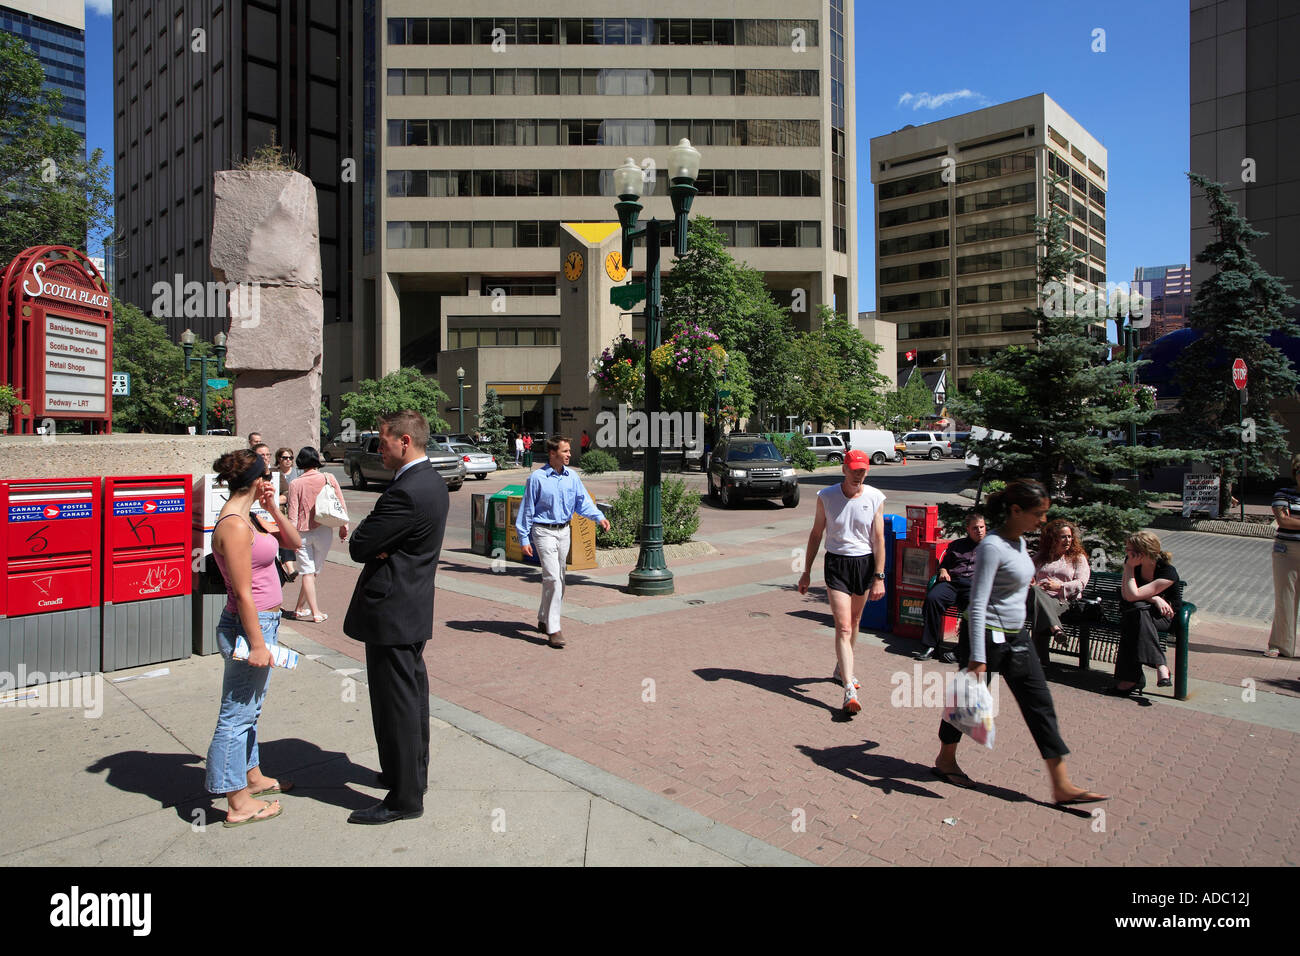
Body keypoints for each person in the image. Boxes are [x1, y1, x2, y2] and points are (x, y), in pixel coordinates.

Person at [932, 480, 1106, 805]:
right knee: (965, 705)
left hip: (1017, 637)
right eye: (1038, 514)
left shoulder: (1021, 543)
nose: (1043, 521)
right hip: (984, 637)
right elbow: (979, 602)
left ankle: (1061, 784)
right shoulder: (992, 546)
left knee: (1040, 705)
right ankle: (945, 760)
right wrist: (978, 657)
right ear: (1015, 511)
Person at [344, 410, 448, 824]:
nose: (378, 449)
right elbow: (374, 543)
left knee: (397, 705)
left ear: (405, 441)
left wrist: (378, 543)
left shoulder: (407, 490)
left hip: (393, 611)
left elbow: (359, 544)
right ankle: (408, 776)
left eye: (383, 442)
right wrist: (380, 544)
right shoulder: (429, 481)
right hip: (408, 608)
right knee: (409, 700)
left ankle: (404, 798)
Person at [204, 449, 303, 826]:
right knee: (235, 716)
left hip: (265, 622)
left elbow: (294, 541)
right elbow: (242, 592)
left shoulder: (252, 517)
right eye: (269, 474)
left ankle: (252, 777)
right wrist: (258, 643)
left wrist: (274, 510)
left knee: (251, 709)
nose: (273, 479)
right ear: (259, 478)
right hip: (250, 627)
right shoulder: (233, 523)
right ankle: (237, 802)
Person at [797, 449, 886, 716]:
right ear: (844, 470)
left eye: (863, 470)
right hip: (837, 564)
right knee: (844, 626)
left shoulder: (874, 497)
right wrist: (806, 571)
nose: (858, 475)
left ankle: (840, 669)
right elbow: (816, 534)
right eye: (854, 470)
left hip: (864, 564)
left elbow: (878, 539)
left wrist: (879, 576)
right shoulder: (826, 496)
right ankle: (849, 687)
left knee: (855, 622)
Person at [516, 436, 610, 648]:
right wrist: (523, 537)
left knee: (558, 578)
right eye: (565, 451)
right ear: (552, 453)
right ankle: (554, 629)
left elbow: (582, 502)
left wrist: (599, 517)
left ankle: (543, 617)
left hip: (564, 531)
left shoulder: (572, 477)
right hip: (543, 532)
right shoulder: (537, 478)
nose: (570, 454)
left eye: (569, 451)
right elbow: (527, 509)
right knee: (553, 579)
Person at [285, 447, 348, 623]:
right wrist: (344, 526)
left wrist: (291, 538)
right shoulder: (329, 478)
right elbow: (340, 504)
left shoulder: (295, 484)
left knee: (307, 573)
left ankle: (301, 608)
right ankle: (315, 612)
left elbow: (292, 514)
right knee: (312, 573)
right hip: (324, 529)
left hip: (302, 531)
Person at [1110, 532, 1177, 695]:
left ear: (1143, 552)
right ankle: (1161, 666)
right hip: (1138, 613)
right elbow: (1128, 595)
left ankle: (1131, 680)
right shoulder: (1132, 564)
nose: (1126, 552)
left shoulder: (1167, 571)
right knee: (1137, 613)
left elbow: (1132, 595)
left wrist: (1151, 599)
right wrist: (1155, 598)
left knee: (1136, 614)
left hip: (1163, 617)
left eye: (1129, 549)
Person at [915, 510, 986, 663]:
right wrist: (942, 570)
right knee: (933, 599)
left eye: (982, 527)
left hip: (974, 586)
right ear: (968, 529)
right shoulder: (957, 545)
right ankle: (931, 646)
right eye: (975, 528)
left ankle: (961, 650)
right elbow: (944, 565)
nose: (979, 531)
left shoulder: (990, 548)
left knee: (974, 607)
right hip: (952, 582)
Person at [1026, 518, 1091, 665]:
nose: (1067, 540)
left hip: (1062, 602)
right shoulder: (1041, 557)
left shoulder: (1077, 558)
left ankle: (1040, 660)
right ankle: (1056, 630)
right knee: (1037, 591)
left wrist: (1059, 587)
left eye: (1069, 537)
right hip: (1036, 597)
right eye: (1063, 537)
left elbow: (1081, 583)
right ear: (1053, 539)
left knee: (1040, 608)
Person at [1267, 453, 1300, 657]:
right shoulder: (1283, 493)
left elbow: (1290, 519)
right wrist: (1290, 520)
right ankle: (1280, 645)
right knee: (1286, 596)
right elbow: (1283, 521)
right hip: (1286, 551)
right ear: (1296, 473)